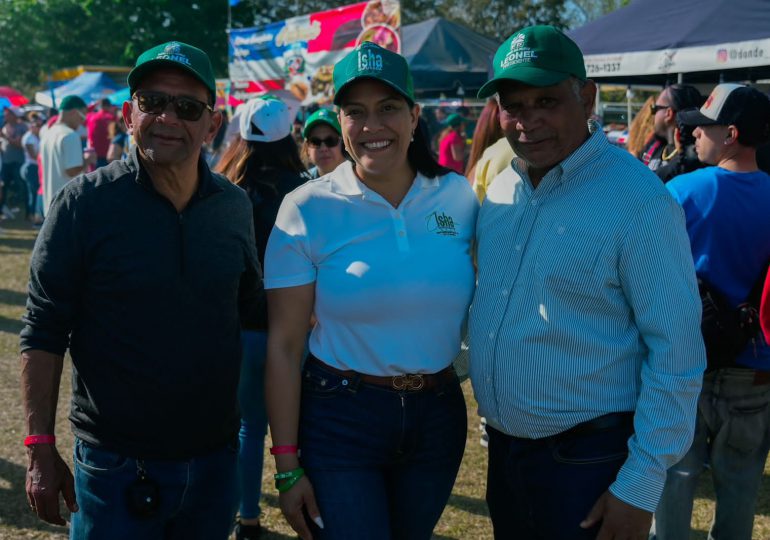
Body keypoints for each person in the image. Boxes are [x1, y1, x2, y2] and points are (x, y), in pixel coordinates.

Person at [20, 40, 266, 539]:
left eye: (187, 107)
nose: (167, 117)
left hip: (215, 462)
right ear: (129, 116)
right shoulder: (83, 205)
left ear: (212, 126)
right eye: (152, 102)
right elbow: (43, 331)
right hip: (114, 467)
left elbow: (250, 310)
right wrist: (40, 447)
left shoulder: (234, 207)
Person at [469, 25, 705, 540]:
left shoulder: (639, 202)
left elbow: (678, 354)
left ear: (587, 97)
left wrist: (638, 484)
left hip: (588, 461)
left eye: (547, 101)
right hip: (507, 453)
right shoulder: (506, 184)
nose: (528, 121)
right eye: (514, 105)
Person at [264, 41, 478, 540]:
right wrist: (287, 463)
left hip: (438, 416)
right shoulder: (306, 207)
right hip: (342, 415)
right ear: (339, 122)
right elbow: (285, 345)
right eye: (355, 112)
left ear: (414, 115)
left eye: (388, 108)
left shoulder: (458, 195)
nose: (371, 126)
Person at [652, 83, 770, 540]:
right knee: (740, 487)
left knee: (675, 482)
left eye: (705, 128)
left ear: (732, 134)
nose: (694, 136)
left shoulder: (682, 191)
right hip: (756, 370)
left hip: (685, 362)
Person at [215, 95, 307, 540]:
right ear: (288, 136)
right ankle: (310, 515)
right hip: (296, 330)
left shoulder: (225, 191)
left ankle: (247, 518)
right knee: (301, 431)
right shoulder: (305, 191)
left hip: (244, 330)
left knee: (250, 428)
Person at [39, 95, 95, 215]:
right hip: (67, 205)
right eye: (83, 116)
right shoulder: (70, 135)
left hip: (50, 203)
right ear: (74, 112)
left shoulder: (47, 133)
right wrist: (87, 160)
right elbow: (72, 171)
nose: (83, 121)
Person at [639, 84, 702, 176]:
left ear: (668, 113)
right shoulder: (653, 146)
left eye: (655, 109)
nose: (653, 115)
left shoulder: (693, 158)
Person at [301, 108, 346, 178]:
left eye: (330, 140)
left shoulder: (364, 181)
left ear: (344, 143)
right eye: (315, 142)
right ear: (307, 149)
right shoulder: (299, 184)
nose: (323, 148)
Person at [0, 105, 28, 219]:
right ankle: (3, 209)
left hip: (18, 162)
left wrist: (5, 137)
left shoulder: (22, 127)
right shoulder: (5, 126)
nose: (5, 115)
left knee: (21, 187)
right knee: (3, 188)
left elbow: (19, 144)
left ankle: (27, 212)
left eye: (7, 113)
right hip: (6, 163)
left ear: (13, 115)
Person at [21, 114, 43, 223]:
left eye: (40, 125)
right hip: (31, 167)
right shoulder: (28, 137)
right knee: (33, 193)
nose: (39, 127)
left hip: (36, 167)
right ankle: (32, 216)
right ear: (32, 126)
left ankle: (33, 215)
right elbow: (33, 156)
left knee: (34, 193)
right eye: (37, 125)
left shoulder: (36, 136)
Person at [86, 98, 117, 168]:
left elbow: (85, 111)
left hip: (93, 154)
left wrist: (94, 104)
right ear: (109, 106)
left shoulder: (90, 116)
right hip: (107, 154)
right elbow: (114, 135)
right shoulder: (111, 118)